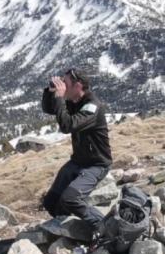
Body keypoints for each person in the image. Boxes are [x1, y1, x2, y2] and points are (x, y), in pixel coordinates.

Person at [41, 68, 112, 239]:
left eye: (65, 83)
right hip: (77, 161)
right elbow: (49, 109)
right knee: (51, 203)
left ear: (78, 85)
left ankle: (106, 227)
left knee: (71, 199)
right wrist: (50, 92)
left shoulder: (92, 106)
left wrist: (59, 96)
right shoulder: (74, 101)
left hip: (96, 164)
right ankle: (70, 229)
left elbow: (67, 125)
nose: (63, 86)